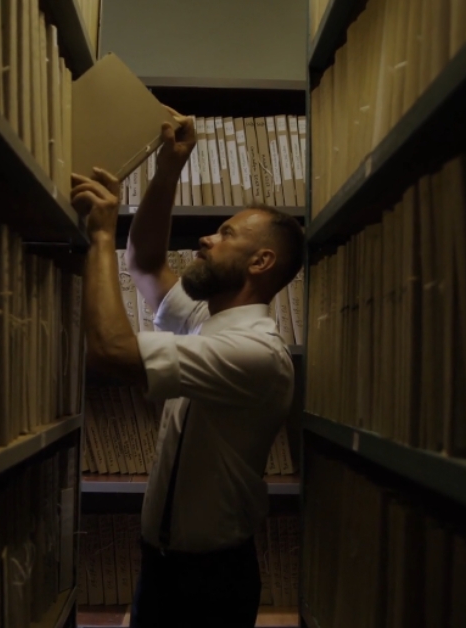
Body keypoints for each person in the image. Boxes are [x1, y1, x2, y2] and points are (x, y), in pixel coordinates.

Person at [70, 108, 304, 628]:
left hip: (212, 581)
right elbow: (148, 263)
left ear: (261, 262)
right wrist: (170, 170)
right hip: (161, 565)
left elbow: (111, 348)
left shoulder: (257, 353)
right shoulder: (206, 321)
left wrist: (100, 236)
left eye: (225, 233)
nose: (206, 239)